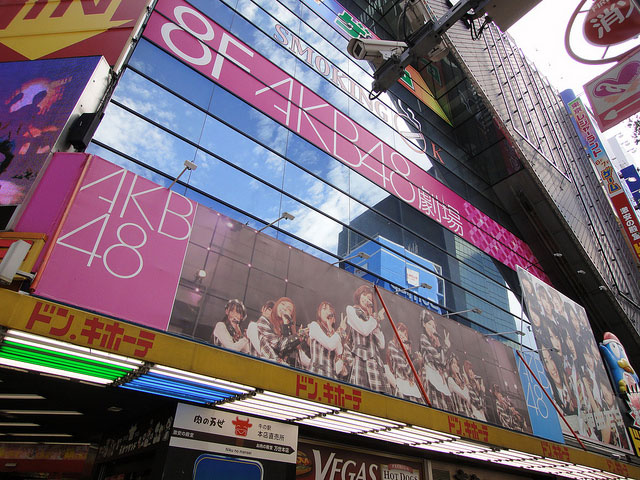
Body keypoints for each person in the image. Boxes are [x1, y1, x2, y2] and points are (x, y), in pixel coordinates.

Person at [345, 285, 388, 394]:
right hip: (361, 358)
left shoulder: (371, 318)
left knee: (379, 397)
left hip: (374, 360)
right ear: (359, 295)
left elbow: (382, 344)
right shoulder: (351, 310)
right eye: (364, 295)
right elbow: (363, 330)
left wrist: (376, 323)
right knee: (360, 394)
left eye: (369, 298)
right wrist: (375, 319)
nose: (366, 299)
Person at [257, 297, 309, 368]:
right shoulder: (264, 321)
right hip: (267, 365)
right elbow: (279, 345)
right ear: (277, 305)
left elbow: (286, 351)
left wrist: (286, 324)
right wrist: (298, 336)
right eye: (283, 304)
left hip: (282, 369)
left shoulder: (288, 329)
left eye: (289, 309)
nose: (284, 308)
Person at [308, 301, 347, 379]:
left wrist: (331, 329)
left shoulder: (334, 334)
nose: (328, 312)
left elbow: (339, 352)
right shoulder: (314, 325)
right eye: (324, 309)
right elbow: (330, 345)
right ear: (319, 313)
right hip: (316, 372)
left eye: (330, 310)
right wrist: (340, 330)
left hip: (330, 375)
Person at [385, 322, 421, 402]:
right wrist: (416, 361)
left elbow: (413, 374)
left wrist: (410, 354)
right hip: (402, 386)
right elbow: (406, 370)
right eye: (400, 331)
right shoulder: (392, 345)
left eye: (405, 334)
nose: (402, 336)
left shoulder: (408, 351)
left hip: (412, 387)